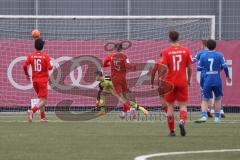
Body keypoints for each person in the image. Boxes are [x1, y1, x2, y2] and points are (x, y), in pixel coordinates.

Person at [102, 43, 148, 117]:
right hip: (123, 78)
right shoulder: (124, 56)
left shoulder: (111, 56)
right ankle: (126, 112)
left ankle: (130, 109)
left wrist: (110, 64)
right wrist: (134, 66)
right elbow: (127, 65)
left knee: (120, 96)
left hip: (115, 79)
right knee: (125, 94)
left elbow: (104, 64)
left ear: (115, 49)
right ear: (122, 49)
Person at [160, 31, 192, 136]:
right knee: (183, 105)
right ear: (179, 38)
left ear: (169, 39)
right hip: (182, 81)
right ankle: (182, 121)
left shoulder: (166, 51)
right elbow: (189, 67)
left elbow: (164, 67)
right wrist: (189, 79)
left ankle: (172, 131)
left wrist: (162, 79)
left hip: (170, 82)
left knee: (170, 106)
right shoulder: (186, 50)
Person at [198, 39, 231, 122]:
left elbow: (199, 68)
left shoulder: (203, 56)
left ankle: (204, 116)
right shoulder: (220, 55)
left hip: (207, 79)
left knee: (205, 99)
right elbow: (225, 66)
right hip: (217, 78)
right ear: (215, 46)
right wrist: (227, 76)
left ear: (207, 46)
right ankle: (216, 118)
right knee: (218, 98)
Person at [23, 38, 53, 122]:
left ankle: (42, 118)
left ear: (34, 46)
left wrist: (27, 75)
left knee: (41, 99)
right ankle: (32, 111)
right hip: (42, 81)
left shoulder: (31, 56)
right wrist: (51, 63)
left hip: (35, 81)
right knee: (44, 100)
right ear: (42, 46)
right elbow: (50, 68)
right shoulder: (46, 56)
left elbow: (24, 66)